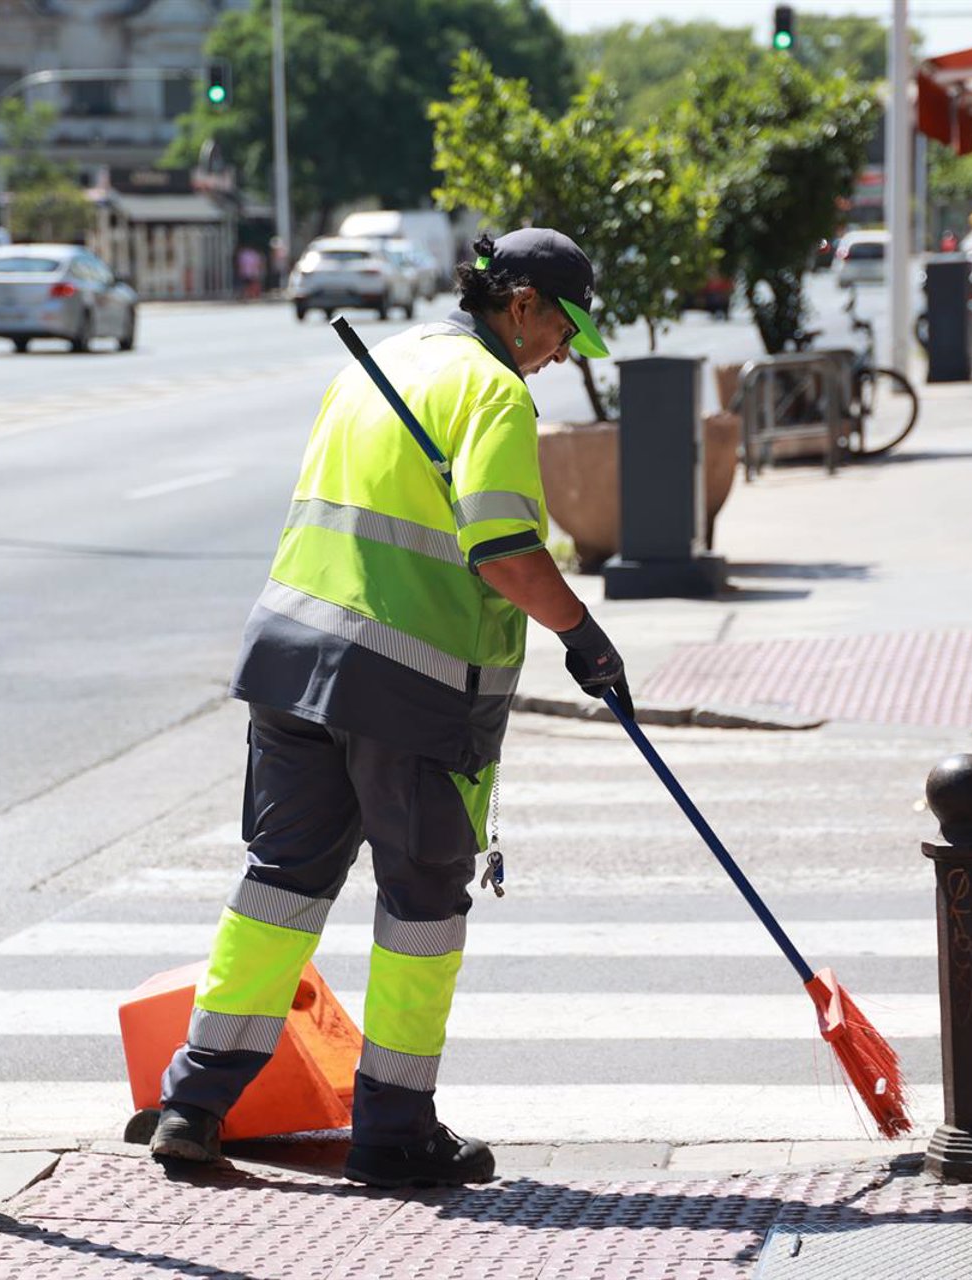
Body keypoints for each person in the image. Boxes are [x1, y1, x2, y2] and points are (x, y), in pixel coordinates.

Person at [148, 228, 629, 1188]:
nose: (564, 351)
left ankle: (192, 1105)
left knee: (279, 885)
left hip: (292, 661)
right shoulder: (492, 391)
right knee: (420, 906)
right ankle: (395, 1131)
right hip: (408, 689)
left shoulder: (387, 361)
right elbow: (502, 548)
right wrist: (585, 636)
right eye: (563, 329)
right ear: (521, 304)